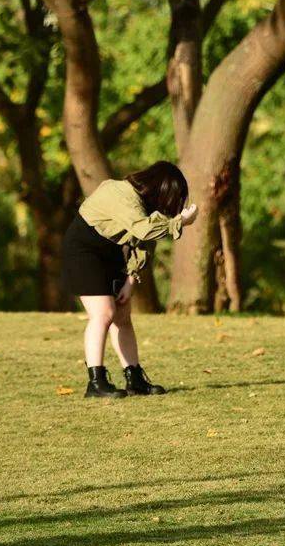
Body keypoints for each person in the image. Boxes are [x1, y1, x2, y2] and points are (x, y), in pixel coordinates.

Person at [60, 161, 197, 398]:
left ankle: (134, 378)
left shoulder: (142, 206)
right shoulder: (120, 193)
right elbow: (144, 230)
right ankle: (96, 382)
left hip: (109, 251)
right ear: (161, 189)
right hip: (83, 249)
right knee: (103, 314)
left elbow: (143, 244)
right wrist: (180, 222)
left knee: (122, 316)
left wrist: (130, 279)